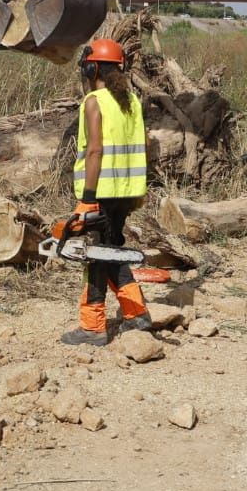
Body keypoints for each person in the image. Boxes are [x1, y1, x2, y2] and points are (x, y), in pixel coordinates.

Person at [61, 38, 153, 346]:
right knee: (110, 252)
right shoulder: (132, 102)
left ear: (91, 68)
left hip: (100, 194)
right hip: (126, 194)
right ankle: (137, 314)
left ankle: (92, 327)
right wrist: (138, 191)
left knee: (96, 258)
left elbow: (96, 151)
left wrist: (87, 198)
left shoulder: (94, 101)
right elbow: (144, 147)